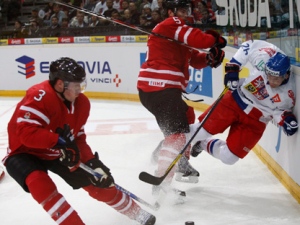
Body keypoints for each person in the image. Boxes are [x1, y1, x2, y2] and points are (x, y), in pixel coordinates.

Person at [2, 57, 156, 225]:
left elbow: (78, 137)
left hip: (59, 151)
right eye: (76, 85)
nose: (79, 90)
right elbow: (26, 134)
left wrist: (91, 161)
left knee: (97, 182)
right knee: (41, 185)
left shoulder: (82, 104)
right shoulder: (39, 96)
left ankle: (138, 214)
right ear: (60, 84)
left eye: (81, 85)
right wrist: (59, 142)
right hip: (24, 152)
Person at [137, 0, 226, 200]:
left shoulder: (175, 33)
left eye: (187, 9)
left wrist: (209, 59)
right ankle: (162, 182)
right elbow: (202, 41)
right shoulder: (172, 24)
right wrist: (214, 38)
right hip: (161, 88)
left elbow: (194, 58)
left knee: (186, 116)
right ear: (171, 12)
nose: (186, 13)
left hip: (156, 89)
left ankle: (171, 157)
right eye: (182, 10)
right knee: (177, 135)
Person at [190, 40, 298, 167]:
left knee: (228, 158)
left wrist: (286, 119)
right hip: (236, 100)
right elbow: (248, 45)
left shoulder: (288, 94)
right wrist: (233, 68)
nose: (270, 81)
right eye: (268, 75)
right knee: (199, 132)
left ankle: (203, 143)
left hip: (256, 120)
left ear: (286, 75)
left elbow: (279, 111)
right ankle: (169, 145)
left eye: (276, 78)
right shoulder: (264, 56)